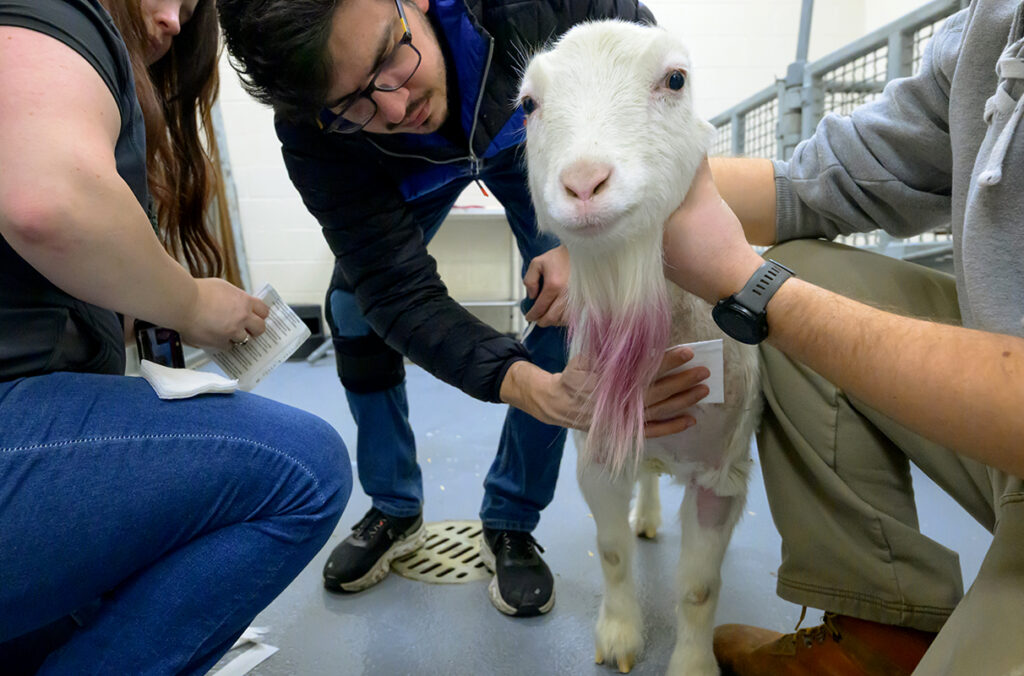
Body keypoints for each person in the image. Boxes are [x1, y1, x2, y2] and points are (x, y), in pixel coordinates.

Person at [216, 0, 707, 617]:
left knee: (564, 305)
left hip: (528, 139)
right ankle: (394, 507)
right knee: (351, 306)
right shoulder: (313, 129)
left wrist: (585, 246)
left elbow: (649, 64)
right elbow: (393, 288)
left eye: (390, 56)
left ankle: (511, 518)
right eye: (350, 103)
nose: (395, 107)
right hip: (409, 173)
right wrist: (525, 384)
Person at [662, 1, 1024, 674]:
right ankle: (878, 627)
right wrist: (628, 203)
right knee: (805, 264)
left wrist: (758, 291)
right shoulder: (994, 24)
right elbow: (817, 181)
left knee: (787, 292)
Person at [0, 0, 352, 672]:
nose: (172, 20)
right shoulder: (54, 11)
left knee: (77, 620)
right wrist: (190, 304)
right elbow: (49, 203)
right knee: (305, 471)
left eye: (190, 10)